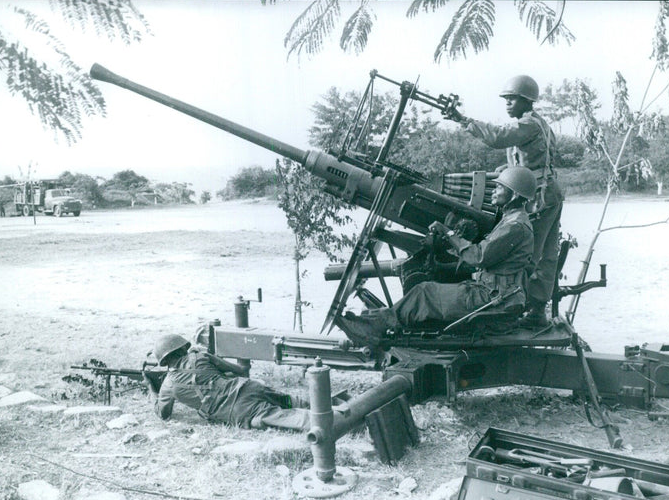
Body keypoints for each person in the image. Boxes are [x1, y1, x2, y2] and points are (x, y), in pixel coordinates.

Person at [335, 166, 536, 346]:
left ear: (515, 195)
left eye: (500, 188)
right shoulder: (512, 220)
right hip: (494, 292)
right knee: (426, 290)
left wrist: (449, 233)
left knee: (424, 293)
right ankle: (371, 321)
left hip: (492, 298)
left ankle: (372, 328)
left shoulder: (514, 226)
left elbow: (479, 257)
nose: (494, 191)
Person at [447, 74, 563, 328]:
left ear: (527, 101)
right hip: (548, 191)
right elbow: (532, 160)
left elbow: (498, 137)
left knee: (530, 255)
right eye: (507, 99)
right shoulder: (538, 124)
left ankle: (525, 307)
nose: (508, 103)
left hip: (539, 196)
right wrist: (507, 169)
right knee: (547, 255)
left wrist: (462, 120)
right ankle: (535, 309)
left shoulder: (528, 125)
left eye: (513, 99)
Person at [145, 334, 332, 431]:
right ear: (182, 348)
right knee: (292, 402)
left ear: (164, 360)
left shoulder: (168, 385)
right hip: (249, 387)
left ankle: (341, 422)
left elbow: (163, 414)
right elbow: (240, 370)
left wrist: (151, 387)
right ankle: (337, 407)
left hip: (241, 410)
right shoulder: (200, 356)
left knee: (289, 418)